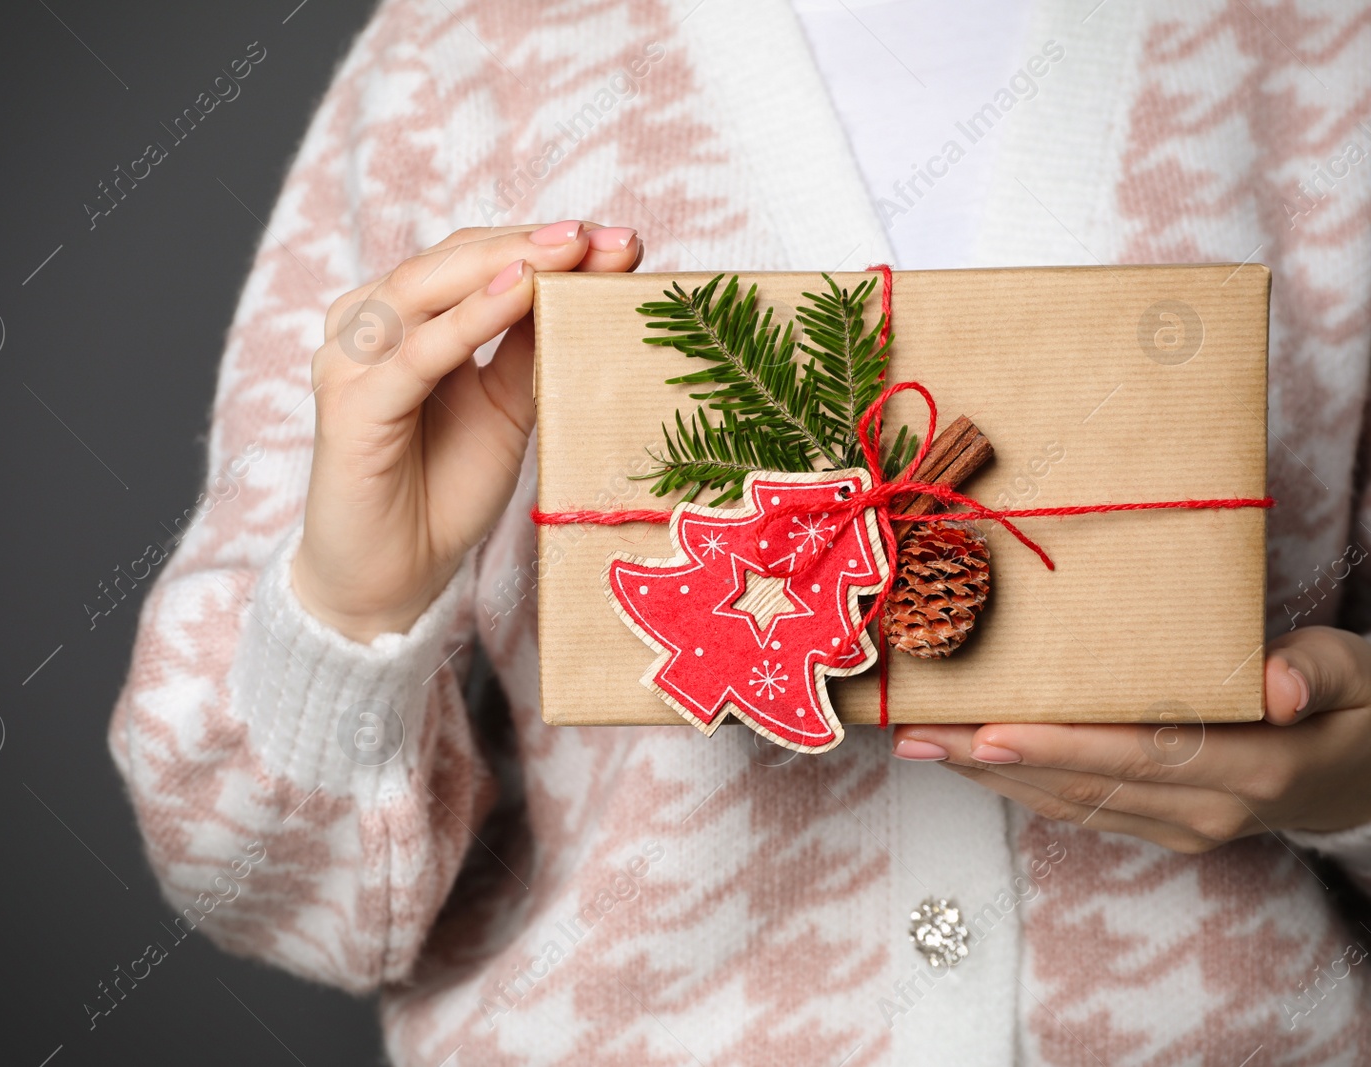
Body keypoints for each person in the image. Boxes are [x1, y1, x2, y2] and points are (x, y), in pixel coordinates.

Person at [109, 0, 1371, 1062]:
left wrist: (1355, 785)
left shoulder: (1326, 42)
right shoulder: (469, 46)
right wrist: (349, 612)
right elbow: (263, 894)